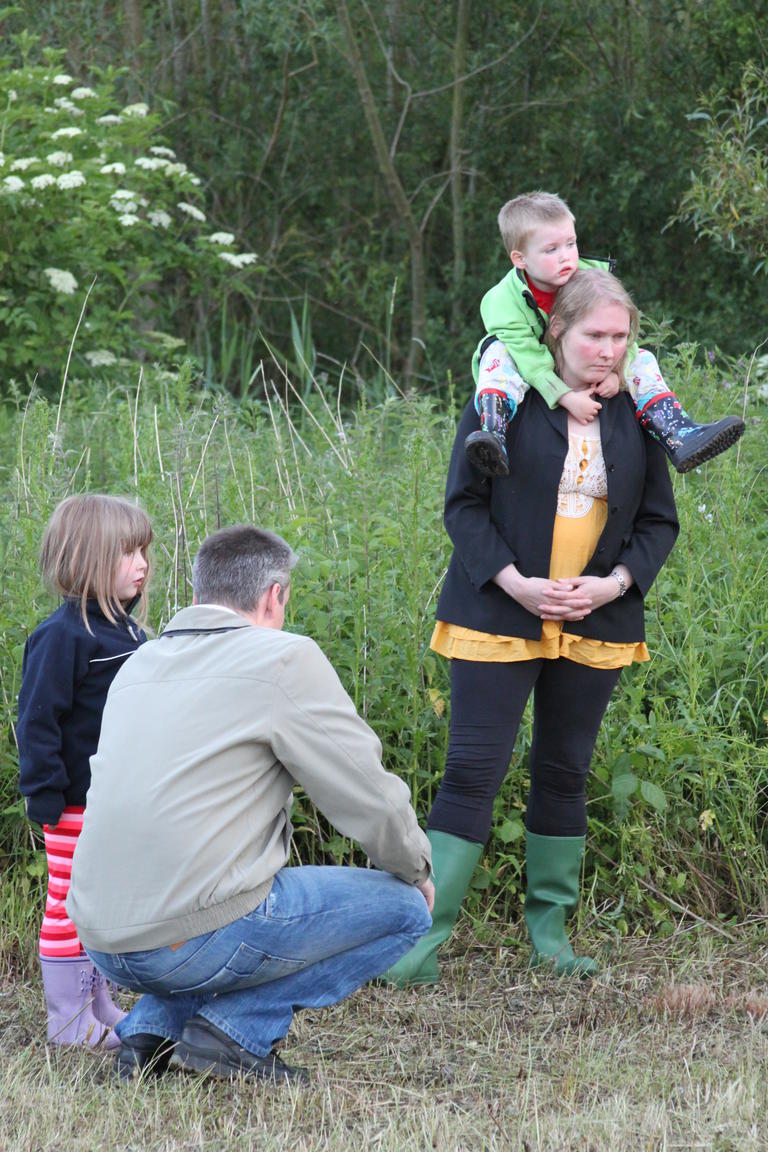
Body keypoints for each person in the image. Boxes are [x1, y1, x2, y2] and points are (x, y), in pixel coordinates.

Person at [385, 268, 679, 987]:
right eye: (594, 335)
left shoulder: (638, 410)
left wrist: (611, 584)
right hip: (497, 611)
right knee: (472, 773)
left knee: (564, 772)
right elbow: (463, 506)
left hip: (597, 617)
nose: (609, 349)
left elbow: (657, 522)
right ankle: (420, 944)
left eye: (619, 336)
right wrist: (517, 583)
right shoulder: (505, 398)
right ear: (558, 332)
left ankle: (549, 937)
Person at [66, 524, 434, 1083]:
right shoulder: (281, 658)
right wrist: (417, 870)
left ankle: (151, 1031)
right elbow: (368, 793)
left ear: (196, 595)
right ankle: (233, 1032)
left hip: (102, 937)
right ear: (274, 596)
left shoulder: (138, 663)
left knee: (219, 897)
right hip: (185, 939)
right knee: (404, 912)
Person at [464, 190, 744, 477]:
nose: (566, 257)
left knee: (643, 358)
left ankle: (678, 433)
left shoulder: (592, 278)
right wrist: (565, 397)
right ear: (519, 259)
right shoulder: (501, 301)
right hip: (531, 365)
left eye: (570, 244)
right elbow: (530, 358)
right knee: (497, 351)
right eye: (551, 250)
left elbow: (623, 329)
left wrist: (618, 372)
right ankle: (494, 435)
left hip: (580, 357)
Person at [17, 494, 152, 1049]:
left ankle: (97, 1002)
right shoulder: (62, 636)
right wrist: (45, 795)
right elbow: (37, 721)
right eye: (129, 552)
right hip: (73, 802)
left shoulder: (132, 635)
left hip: (116, 802)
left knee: (98, 906)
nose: (143, 562)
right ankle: (68, 1018)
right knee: (68, 903)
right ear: (88, 558)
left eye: (145, 550)